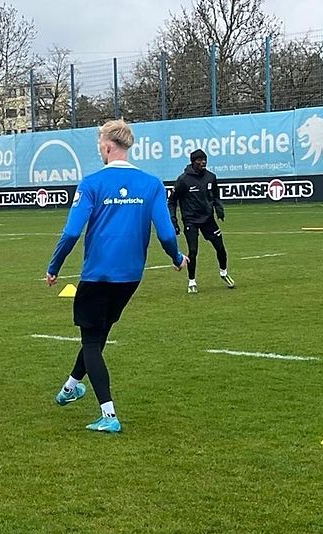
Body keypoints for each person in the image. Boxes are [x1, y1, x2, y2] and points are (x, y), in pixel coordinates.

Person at [45, 119, 188, 433]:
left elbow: (71, 232)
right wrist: (177, 258)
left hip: (97, 275)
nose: (100, 149)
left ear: (108, 146)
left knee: (92, 341)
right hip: (130, 277)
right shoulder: (151, 184)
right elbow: (166, 233)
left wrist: (54, 266)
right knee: (98, 334)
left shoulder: (92, 183)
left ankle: (108, 415)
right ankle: (70, 387)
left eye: (100, 144)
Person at [168, 149, 235, 293]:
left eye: (205, 159)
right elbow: (172, 201)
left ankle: (224, 273)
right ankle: (192, 281)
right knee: (193, 251)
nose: (203, 162)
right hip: (191, 220)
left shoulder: (211, 177)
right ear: (193, 162)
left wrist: (219, 208)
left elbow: (216, 195)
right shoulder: (183, 179)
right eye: (200, 160)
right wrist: (174, 220)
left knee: (221, 248)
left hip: (208, 219)